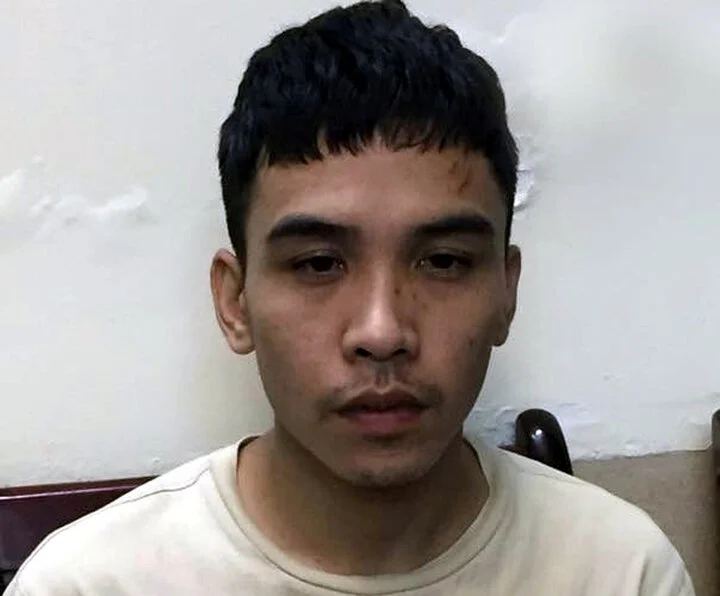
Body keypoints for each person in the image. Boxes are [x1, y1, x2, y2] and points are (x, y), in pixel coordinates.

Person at [7, 1, 694, 594]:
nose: (381, 331)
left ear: (505, 293)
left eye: (444, 261)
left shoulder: (619, 571)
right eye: (318, 264)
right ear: (235, 302)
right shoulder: (89, 583)